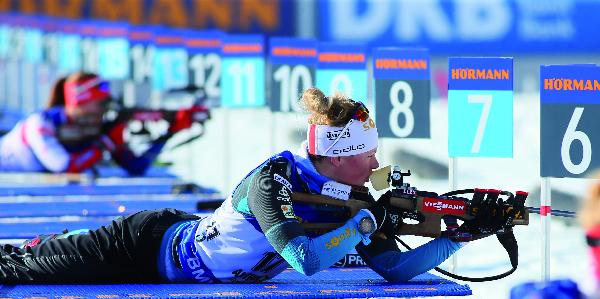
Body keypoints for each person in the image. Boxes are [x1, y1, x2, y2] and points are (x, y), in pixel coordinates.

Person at [0, 87, 511, 283]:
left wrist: (455, 239)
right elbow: (305, 261)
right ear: (337, 156)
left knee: (30, 259)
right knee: (19, 269)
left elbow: (396, 271)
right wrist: (365, 223)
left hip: (174, 247)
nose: (377, 159)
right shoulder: (274, 181)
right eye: (367, 151)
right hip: (145, 245)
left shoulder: (352, 199)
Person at [0, 72, 197, 175]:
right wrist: (106, 143)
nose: (105, 109)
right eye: (101, 103)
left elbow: (136, 166)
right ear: (80, 101)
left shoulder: (98, 129)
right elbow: (64, 166)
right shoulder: (40, 124)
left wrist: (169, 132)